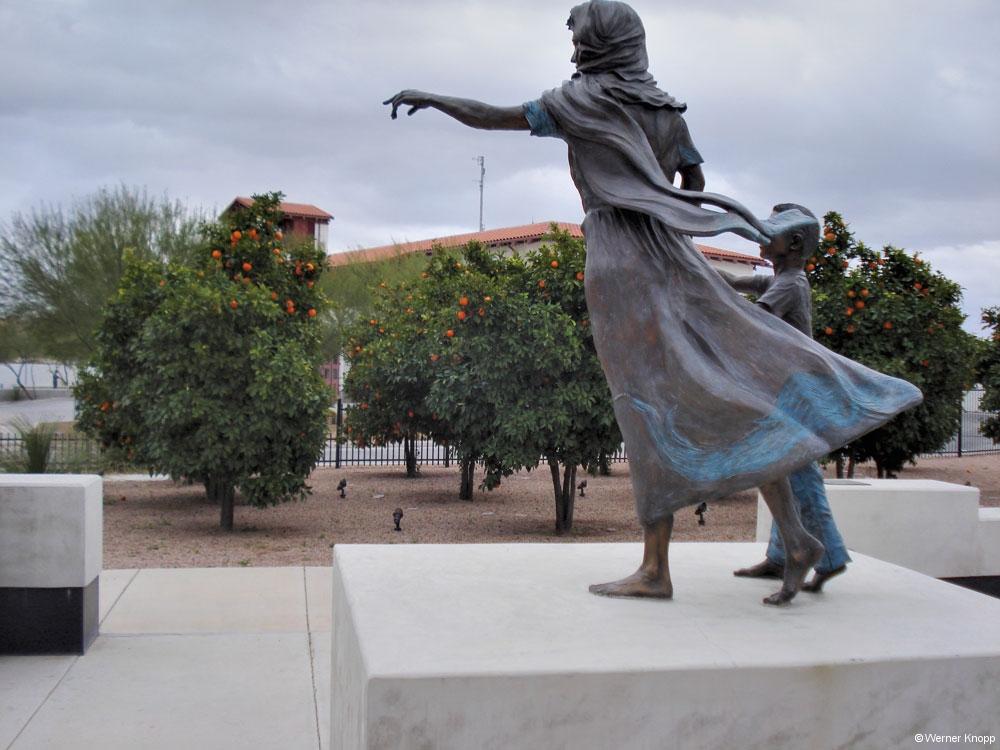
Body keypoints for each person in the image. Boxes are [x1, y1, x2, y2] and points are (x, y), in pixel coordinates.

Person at [384, 0, 921, 605]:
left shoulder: (579, 102)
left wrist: (433, 98)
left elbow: (495, 116)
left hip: (620, 261)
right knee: (725, 395)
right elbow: (692, 185)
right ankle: (794, 539)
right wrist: (658, 205)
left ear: (601, 41)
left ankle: (657, 569)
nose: (573, 51)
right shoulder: (667, 111)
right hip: (672, 254)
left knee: (642, 407)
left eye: (579, 38)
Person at [718, 204, 851, 592]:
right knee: (784, 474)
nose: (761, 236)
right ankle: (781, 557)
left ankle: (829, 557)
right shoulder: (781, 280)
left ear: (793, 242)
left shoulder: (790, 285)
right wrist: (687, 262)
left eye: (771, 230)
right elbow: (732, 280)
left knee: (800, 478)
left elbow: (753, 321)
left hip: (794, 393)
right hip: (785, 390)